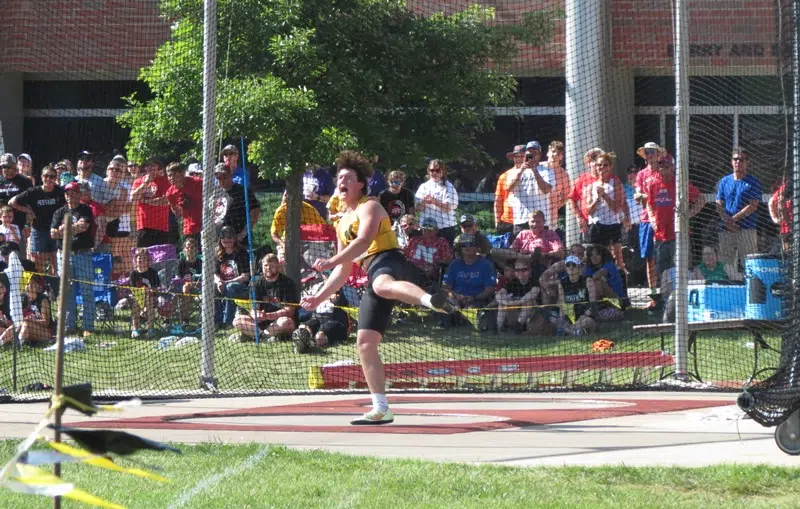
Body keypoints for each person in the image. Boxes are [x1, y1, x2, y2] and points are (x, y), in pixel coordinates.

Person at [300, 150, 456, 425]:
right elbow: (343, 269)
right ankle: (382, 408)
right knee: (365, 343)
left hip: (391, 262)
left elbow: (362, 243)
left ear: (361, 184)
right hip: (374, 275)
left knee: (382, 284)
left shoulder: (370, 206)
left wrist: (332, 259)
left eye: (348, 178)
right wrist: (317, 297)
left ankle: (433, 301)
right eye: (339, 178)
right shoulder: (340, 223)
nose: (341, 182)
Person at [644, 152, 705, 280]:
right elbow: (649, 204)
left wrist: (689, 214)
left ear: (672, 167)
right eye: (661, 166)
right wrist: (652, 219)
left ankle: (683, 298)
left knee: (682, 270)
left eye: (667, 166)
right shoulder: (653, 183)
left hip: (679, 234)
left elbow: (701, 199)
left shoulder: (681, 184)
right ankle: (665, 298)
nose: (663, 169)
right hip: (660, 236)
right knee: (662, 272)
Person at [51, 181, 96, 337]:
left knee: (87, 290)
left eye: (74, 193)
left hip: (82, 254)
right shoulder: (59, 212)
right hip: (63, 255)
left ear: (79, 194)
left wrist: (63, 229)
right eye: (68, 193)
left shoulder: (86, 209)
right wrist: (72, 227)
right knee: (66, 291)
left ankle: (88, 326)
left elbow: (84, 226)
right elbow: (53, 233)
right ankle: (69, 325)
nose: (71, 196)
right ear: (65, 195)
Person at [10, 164, 65, 275]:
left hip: (55, 230)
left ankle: (55, 286)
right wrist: (27, 211)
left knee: (55, 259)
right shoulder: (33, 192)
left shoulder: (61, 192)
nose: (48, 179)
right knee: (37, 260)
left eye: (52, 176)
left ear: (55, 178)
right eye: (46, 176)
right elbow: (11, 202)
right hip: (39, 230)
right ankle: (42, 286)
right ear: (41, 177)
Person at [232, 253, 299, 342]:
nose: (268, 268)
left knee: (287, 322)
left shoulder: (287, 283)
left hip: (279, 321)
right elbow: (255, 307)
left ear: (278, 266)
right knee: (237, 320)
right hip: (261, 323)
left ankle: (256, 336)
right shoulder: (256, 282)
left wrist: (267, 316)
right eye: (266, 265)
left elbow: (290, 311)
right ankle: (264, 336)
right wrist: (255, 314)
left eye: (272, 265)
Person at [716, 147, 761, 271]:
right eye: (735, 159)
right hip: (726, 230)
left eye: (741, 160)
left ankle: (751, 290)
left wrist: (734, 219)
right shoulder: (724, 181)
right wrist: (726, 220)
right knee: (725, 266)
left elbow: (753, 205)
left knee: (750, 264)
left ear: (747, 162)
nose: (738, 162)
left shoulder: (753, 181)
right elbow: (719, 203)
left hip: (746, 230)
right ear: (731, 161)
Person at [440, 233, 496, 328]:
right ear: (460, 249)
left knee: (469, 312)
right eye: (464, 245)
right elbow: (445, 287)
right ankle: (453, 316)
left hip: (478, 300)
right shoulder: (454, 264)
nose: (468, 247)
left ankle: (461, 317)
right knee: (443, 303)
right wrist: (456, 296)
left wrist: (474, 298)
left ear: (476, 247)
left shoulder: (486, 264)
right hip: (456, 298)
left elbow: (490, 289)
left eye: (471, 244)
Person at [634, 142, 665, 305]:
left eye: (653, 152)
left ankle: (666, 292)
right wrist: (645, 196)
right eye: (647, 152)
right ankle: (653, 296)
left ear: (659, 155)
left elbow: (661, 196)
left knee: (666, 257)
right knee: (649, 258)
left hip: (664, 220)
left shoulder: (664, 173)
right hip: (646, 220)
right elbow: (638, 196)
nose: (650, 155)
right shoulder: (641, 175)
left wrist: (647, 196)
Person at [505, 141, 553, 237]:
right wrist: (522, 170)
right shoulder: (514, 172)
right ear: (525, 154)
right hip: (521, 220)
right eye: (529, 152)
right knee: (520, 251)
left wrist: (535, 171)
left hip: (540, 222)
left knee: (541, 249)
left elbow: (546, 190)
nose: (532, 155)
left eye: (535, 153)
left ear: (540, 155)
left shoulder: (547, 171)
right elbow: (509, 188)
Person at [270, 190, 327, 260]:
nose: (287, 198)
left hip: (309, 241)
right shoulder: (280, 211)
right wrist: (283, 245)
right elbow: (274, 233)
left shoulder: (308, 209)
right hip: (287, 240)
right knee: (282, 259)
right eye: (285, 195)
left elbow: (323, 228)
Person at [213, 163, 261, 244]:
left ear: (230, 175)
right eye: (219, 178)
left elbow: (256, 210)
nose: (222, 180)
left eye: (224, 177)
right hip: (220, 240)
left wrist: (244, 232)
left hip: (238, 239)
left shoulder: (243, 191)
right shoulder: (215, 194)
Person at [130, 156, 172, 248]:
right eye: (148, 165)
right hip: (144, 226)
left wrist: (145, 201)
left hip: (161, 226)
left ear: (158, 167)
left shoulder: (166, 181)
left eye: (153, 165)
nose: (151, 168)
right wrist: (145, 183)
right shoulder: (139, 181)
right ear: (144, 168)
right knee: (142, 256)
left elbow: (166, 200)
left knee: (160, 260)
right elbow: (133, 197)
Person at [415, 159, 459, 244]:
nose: (434, 173)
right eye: (432, 170)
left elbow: (448, 208)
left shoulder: (448, 187)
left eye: (437, 170)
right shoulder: (424, 186)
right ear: (428, 171)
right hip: (427, 229)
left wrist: (434, 201)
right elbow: (417, 208)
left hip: (445, 228)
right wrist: (424, 202)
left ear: (442, 171)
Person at [214, 226, 251, 326]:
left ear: (234, 238)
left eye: (229, 237)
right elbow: (215, 273)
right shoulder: (218, 254)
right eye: (223, 237)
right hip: (222, 284)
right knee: (212, 287)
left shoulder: (242, 253)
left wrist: (226, 283)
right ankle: (217, 320)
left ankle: (227, 321)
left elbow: (246, 276)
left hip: (241, 287)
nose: (226, 239)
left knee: (230, 287)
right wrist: (219, 282)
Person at [554, 254, 598, 336]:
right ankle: (575, 331)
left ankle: (572, 331)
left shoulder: (587, 280)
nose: (571, 267)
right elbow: (563, 304)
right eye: (568, 265)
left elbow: (593, 303)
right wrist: (562, 319)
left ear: (579, 267)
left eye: (574, 265)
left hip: (586, 316)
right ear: (565, 268)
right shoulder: (562, 283)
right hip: (571, 317)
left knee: (587, 322)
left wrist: (584, 316)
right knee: (554, 319)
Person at [0, 153, 33, 258]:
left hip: (20, 226)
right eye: (2, 166)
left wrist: (28, 224)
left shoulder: (25, 181)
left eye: (7, 166)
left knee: (20, 258)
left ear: (14, 166)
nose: (5, 169)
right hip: (2, 227)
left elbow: (30, 205)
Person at [403, 217, 453, 285]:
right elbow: (404, 255)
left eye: (430, 229)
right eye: (424, 228)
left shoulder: (441, 242)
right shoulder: (414, 240)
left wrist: (434, 264)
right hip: (411, 271)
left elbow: (448, 260)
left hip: (431, 274)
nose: (427, 231)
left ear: (436, 230)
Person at [495, 259, 540, 334]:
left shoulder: (534, 281)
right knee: (502, 302)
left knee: (528, 301)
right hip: (514, 315)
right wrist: (506, 302)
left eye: (524, 270)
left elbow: (533, 293)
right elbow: (498, 295)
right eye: (517, 270)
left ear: (530, 270)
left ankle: (518, 328)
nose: (520, 272)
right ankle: (498, 329)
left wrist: (516, 302)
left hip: (532, 316)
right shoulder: (513, 283)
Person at [124, 248, 160, 338]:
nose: (140, 259)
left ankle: (150, 329)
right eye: (138, 257)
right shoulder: (133, 273)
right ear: (135, 259)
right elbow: (133, 290)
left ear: (148, 260)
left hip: (151, 298)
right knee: (135, 303)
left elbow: (156, 288)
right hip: (138, 298)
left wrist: (149, 291)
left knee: (149, 299)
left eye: (143, 257)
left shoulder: (153, 272)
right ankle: (135, 329)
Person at [165, 162, 203, 244]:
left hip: (204, 225)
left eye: (174, 175)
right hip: (189, 229)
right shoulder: (170, 193)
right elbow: (174, 209)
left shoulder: (197, 182)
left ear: (182, 173)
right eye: (169, 176)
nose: (171, 178)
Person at [494, 145, 526, 235]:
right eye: (516, 156)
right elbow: (498, 200)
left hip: (525, 220)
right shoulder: (504, 176)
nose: (519, 158)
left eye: (522, 156)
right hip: (507, 221)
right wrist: (497, 222)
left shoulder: (533, 174)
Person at [541, 141, 570, 237]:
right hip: (536, 211)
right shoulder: (538, 167)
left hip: (551, 215)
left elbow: (566, 196)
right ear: (548, 152)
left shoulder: (563, 174)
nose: (554, 155)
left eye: (558, 153)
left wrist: (556, 206)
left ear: (562, 156)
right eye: (553, 151)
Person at [177, 237, 202, 331]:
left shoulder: (200, 262)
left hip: (198, 286)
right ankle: (185, 319)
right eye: (187, 247)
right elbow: (179, 278)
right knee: (185, 288)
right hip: (184, 287)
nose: (190, 250)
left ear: (196, 249)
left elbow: (202, 278)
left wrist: (195, 283)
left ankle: (199, 320)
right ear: (184, 250)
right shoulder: (181, 262)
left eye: (192, 247)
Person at [19, 275, 53, 344]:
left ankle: (19, 342)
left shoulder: (43, 300)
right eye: (28, 284)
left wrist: (31, 320)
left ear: (39, 287)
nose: (29, 286)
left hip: (46, 332)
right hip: (31, 329)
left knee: (27, 324)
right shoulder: (25, 298)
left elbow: (46, 323)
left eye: (33, 284)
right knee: (19, 324)